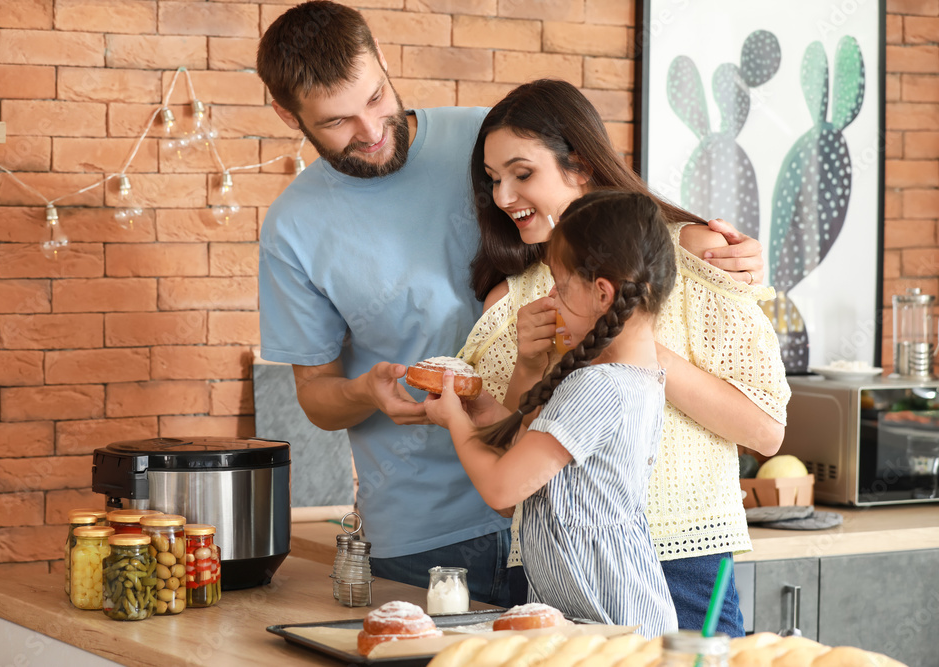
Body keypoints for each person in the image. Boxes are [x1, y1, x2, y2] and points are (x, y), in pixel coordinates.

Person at [255, 1, 763, 605]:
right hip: (433, 530)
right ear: (289, 115)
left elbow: (622, 224)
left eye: (374, 99)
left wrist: (717, 253)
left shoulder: (490, 139)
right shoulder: (296, 227)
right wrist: (369, 392)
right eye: (337, 121)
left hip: (593, 521)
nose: (368, 131)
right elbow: (317, 393)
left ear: (385, 64)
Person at [459, 79, 790, 635]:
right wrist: (527, 367)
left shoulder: (693, 254)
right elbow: (508, 486)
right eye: (493, 181)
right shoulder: (511, 299)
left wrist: (621, 340)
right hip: (552, 569)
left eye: (522, 174)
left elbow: (766, 429)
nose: (503, 198)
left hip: (680, 557)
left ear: (581, 166)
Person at [427, 190, 679, 637]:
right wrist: (484, 409)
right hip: (611, 620)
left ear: (603, 293)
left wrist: (455, 421)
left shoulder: (598, 387)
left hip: (613, 626)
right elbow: (530, 457)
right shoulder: (634, 377)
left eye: (561, 288)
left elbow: (503, 487)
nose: (552, 299)